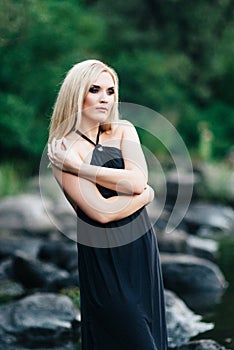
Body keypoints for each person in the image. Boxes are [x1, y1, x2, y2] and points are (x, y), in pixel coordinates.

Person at [48, 59, 168, 350]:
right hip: (103, 260)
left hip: (141, 252)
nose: (105, 97)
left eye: (110, 91)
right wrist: (146, 197)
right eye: (95, 89)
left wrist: (80, 168)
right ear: (77, 93)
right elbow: (101, 212)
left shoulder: (124, 130)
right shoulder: (62, 148)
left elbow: (137, 181)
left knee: (150, 334)